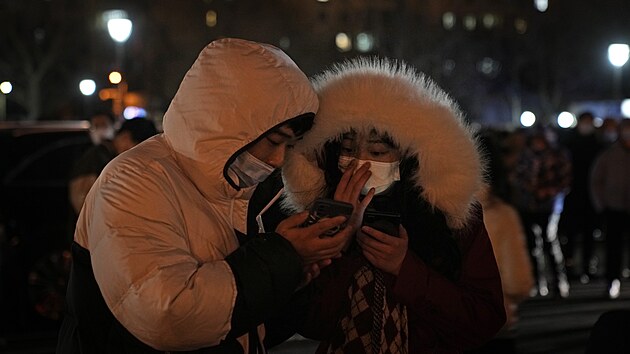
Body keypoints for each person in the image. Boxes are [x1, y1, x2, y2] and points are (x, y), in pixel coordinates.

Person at [56, 38, 364, 353]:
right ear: (228, 124)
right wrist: (283, 255)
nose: (276, 160)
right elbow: (168, 313)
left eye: (288, 146)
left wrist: (293, 278)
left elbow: (238, 328)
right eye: (273, 141)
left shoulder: (229, 191)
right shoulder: (134, 181)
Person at [280, 57, 506, 353]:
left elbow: (484, 318)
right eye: (348, 150)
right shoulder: (322, 213)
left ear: (408, 158)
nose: (359, 163)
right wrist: (339, 241)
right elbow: (306, 321)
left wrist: (406, 269)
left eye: (377, 151)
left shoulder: (450, 215)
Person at [467, 131, 534, 354]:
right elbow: (519, 281)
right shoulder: (503, 214)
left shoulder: (442, 211)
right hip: (496, 320)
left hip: (452, 322)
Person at [509, 127, 571, 298]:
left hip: (549, 205)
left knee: (550, 241)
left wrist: (548, 191)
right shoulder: (526, 156)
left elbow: (565, 179)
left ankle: (559, 281)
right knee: (532, 244)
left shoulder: (557, 155)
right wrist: (527, 188)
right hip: (529, 205)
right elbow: (517, 177)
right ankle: (537, 281)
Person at [68, 117, 159, 215]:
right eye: (137, 147)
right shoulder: (97, 158)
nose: (138, 155)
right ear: (125, 137)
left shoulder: (110, 156)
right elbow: (83, 201)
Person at [558, 112, 604, 284]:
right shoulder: (569, 143)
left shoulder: (598, 144)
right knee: (570, 234)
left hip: (591, 195)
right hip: (571, 195)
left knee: (589, 234)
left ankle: (587, 266)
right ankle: (569, 266)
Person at [590, 119, 630, 299]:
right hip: (614, 207)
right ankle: (612, 279)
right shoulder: (609, 154)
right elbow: (596, 180)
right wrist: (602, 203)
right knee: (613, 246)